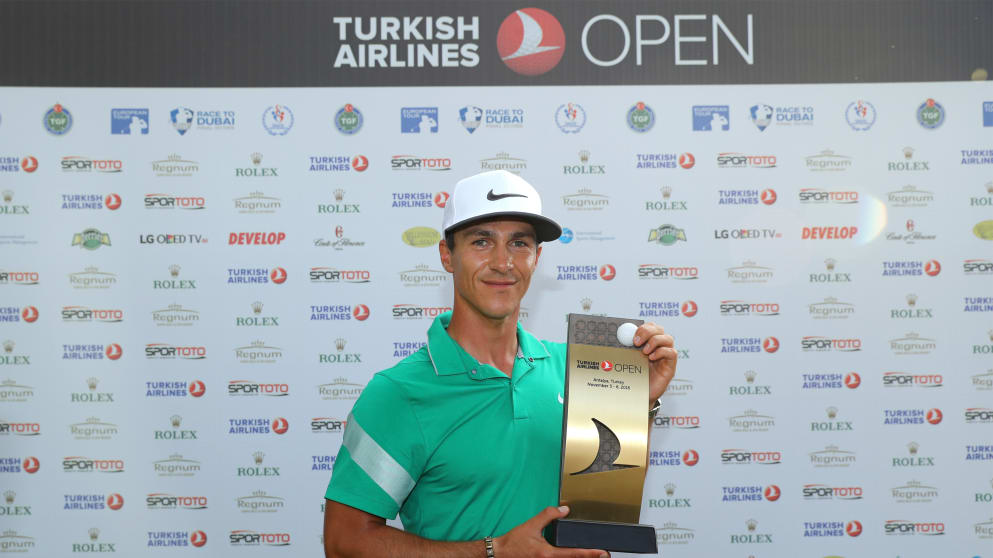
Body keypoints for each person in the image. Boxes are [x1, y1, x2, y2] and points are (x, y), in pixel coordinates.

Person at [323, 170, 677, 558]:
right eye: (481, 241)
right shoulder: (399, 392)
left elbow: (601, 485)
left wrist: (637, 402)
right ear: (446, 255)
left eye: (519, 243)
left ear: (537, 257)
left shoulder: (576, 368)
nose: (503, 262)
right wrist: (494, 551)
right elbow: (345, 542)